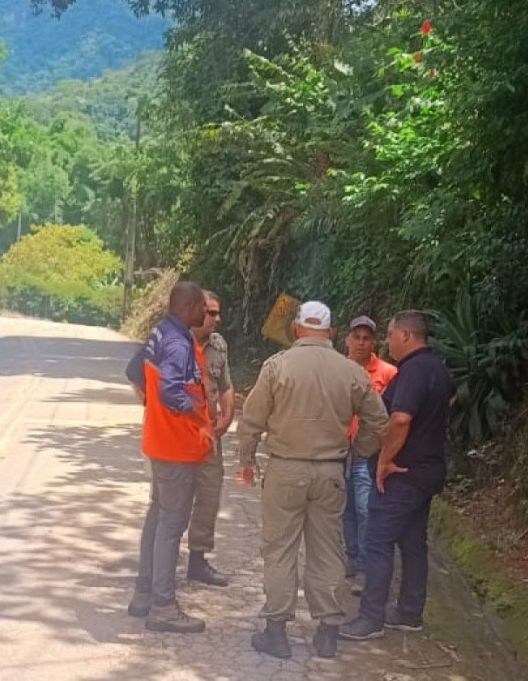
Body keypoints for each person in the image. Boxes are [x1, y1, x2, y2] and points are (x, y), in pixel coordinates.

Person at [236, 301, 389, 660]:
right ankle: (328, 634)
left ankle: (276, 632)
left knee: (279, 549)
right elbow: (379, 422)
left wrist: (246, 461)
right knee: (328, 549)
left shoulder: (277, 367)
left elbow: (252, 420)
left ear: (297, 328)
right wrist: (356, 451)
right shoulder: (352, 372)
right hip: (331, 473)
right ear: (333, 333)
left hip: (285, 470)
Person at [340, 310, 454, 641]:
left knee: (377, 541)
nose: (387, 341)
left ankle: (370, 618)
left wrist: (384, 461)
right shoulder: (437, 368)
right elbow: (450, 398)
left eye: (389, 334)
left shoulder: (414, 371)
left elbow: (401, 418)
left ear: (405, 335)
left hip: (403, 473)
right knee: (413, 542)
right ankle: (409, 612)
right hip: (428, 469)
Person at [124, 281, 213, 633]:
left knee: (158, 518)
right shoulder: (178, 342)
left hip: (160, 444)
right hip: (177, 448)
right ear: (189, 306)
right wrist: (195, 413)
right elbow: (172, 390)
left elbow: (134, 372)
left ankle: (144, 593)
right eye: (204, 309)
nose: (207, 315)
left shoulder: (160, 333)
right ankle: (163, 606)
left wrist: (155, 410)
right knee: (172, 526)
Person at [342, 316, 398, 584]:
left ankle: (364, 563)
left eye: (367, 338)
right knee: (343, 508)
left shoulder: (388, 373)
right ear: (347, 340)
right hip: (339, 449)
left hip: (369, 452)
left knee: (365, 508)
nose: (362, 343)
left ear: (374, 342)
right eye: (357, 337)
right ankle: (351, 555)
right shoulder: (336, 369)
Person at [187, 291, 236, 587]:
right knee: (171, 501)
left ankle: (197, 561)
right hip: (177, 436)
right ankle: (159, 564)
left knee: (208, 497)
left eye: (219, 313)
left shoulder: (218, 346)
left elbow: (226, 385)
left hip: (209, 437)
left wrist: (228, 417)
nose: (218, 319)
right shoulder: (175, 343)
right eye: (212, 313)